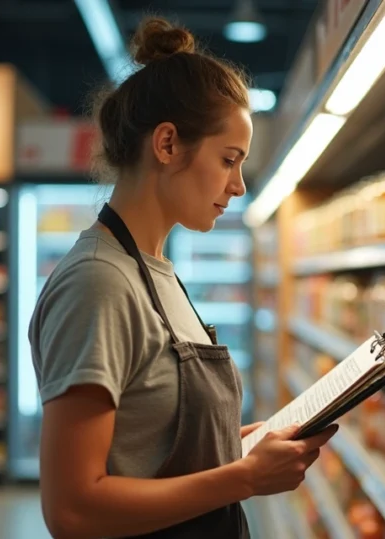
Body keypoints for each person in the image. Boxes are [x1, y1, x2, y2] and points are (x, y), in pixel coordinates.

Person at [29, 17, 337, 539]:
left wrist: (238, 448)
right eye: (229, 160)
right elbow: (73, 509)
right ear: (168, 144)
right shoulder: (99, 284)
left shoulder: (156, 272)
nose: (238, 186)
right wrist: (241, 478)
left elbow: (149, 446)